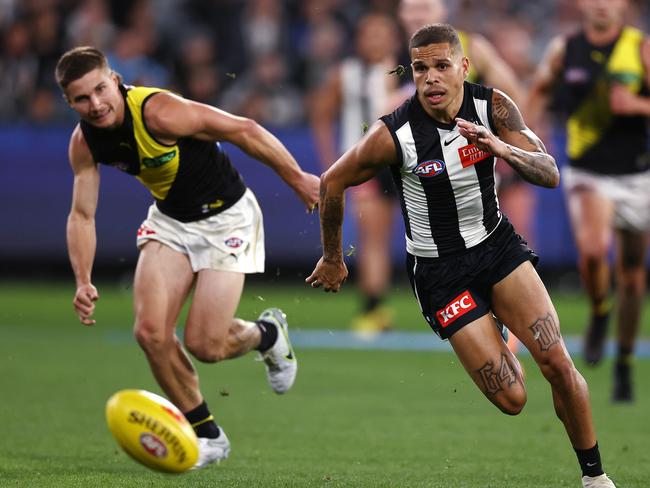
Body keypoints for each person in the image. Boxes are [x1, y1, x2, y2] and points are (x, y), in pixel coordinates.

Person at [307, 24, 617, 488]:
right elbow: (332, 180)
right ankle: (491, 323)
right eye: (420, 68)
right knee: (513, 399)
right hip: (440, 273)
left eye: (441, 66)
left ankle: (595, 478)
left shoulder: (491, 107)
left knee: (557, 363)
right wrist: (333, 256)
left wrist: (501, 148)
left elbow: (550, 171)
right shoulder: (395, 133)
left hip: (497, 249)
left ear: (463, 66)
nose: (431, 78)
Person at [55, 46, 319, 468]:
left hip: (228, 218)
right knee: (149, 333)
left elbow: (245, 129)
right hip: (172, 221)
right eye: (82, 98)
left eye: (101, 89)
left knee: (206, 344)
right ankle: (208, 436)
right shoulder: (84, 142)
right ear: (69, 103)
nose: (96, 104)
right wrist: (83, 279)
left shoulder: (159, 112)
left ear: (116, 80)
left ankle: (268, 335)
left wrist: (297, 179)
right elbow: (82, 215)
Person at [527, 0, 650, 402]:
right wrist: (526, 142)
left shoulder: (641, 46)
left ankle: (625, 361)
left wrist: (637, 105)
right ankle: (600, 311)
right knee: (595, 252)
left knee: (633, 275)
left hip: (636, 174)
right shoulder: (566, 49)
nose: (602, 4)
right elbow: (539, 92)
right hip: (587, 172)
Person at [309, 12, 400, 333]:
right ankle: (373, 308)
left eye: (382, 34)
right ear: (359, 40)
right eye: (369, 34)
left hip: (406, 162)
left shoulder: (407, 70)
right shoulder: (345, 74)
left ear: (394, 39)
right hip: (368, 166)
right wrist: (333, 163)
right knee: (373, 238)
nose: (375, 41)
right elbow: (320, 113)